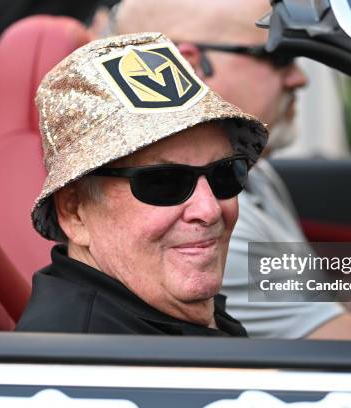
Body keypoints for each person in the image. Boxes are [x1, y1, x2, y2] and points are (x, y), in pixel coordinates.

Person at [114, 0, 351, 340]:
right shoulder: (205, 222)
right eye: (277, 56)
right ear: (191, 65)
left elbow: (321, 301)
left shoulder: (251, 175)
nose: (300, 77)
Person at [16, 32, 269, 335]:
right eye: (164, 183)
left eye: (225, 174)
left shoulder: (149, 322)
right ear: (75, 211)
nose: (210, 209)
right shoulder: (91, 362)